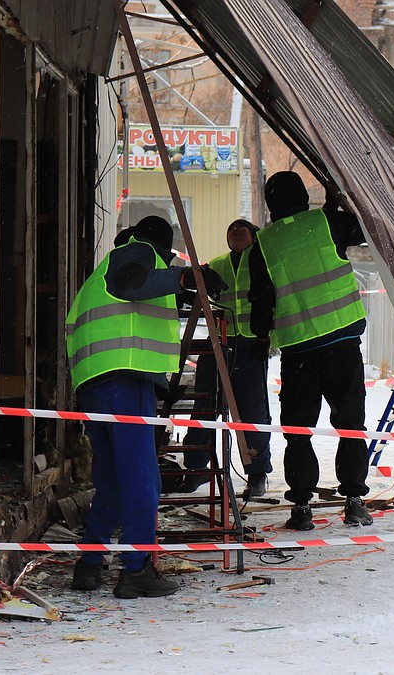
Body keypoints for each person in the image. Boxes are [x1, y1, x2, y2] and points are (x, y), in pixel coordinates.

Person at [65, 215, 226, 598]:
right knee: (142, 480)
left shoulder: (103, 270)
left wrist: (186, 288)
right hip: (126, 379)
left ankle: (89, 564)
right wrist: (185, 278)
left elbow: (137, 295)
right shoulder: (139, 253)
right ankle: (135, 570)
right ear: (161, 245)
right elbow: (133, 283)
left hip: (95, 385)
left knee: (113, 484)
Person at [248, 171, 372, 531]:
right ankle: (353, 501)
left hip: (298, 350)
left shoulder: (264, 243)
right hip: (342, 342)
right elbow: (366, 228)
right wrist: (338, 201)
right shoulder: (326, 222)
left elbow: (261, 301)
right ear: (304, 195)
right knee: (350, 424)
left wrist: (259, 337)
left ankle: (301, 507)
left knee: (298, 430)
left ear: (271, 205)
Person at [178, 218, 273, 498]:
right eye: (231, 231)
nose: (235, 234)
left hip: (250, 346)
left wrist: (266, 337)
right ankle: (195, 469)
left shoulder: (264, 261)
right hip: (217, 344)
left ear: (254, 237)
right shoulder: (217, 264)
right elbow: (191, 287)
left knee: (252, 413)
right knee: (204, 407)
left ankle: (256, 474)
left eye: (241, 231)